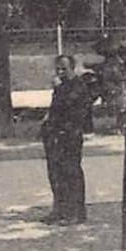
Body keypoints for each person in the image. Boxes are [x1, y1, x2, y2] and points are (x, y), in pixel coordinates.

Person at [41, 55, 96, 225]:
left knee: (71, 173)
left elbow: (71, 107)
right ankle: (60, 210)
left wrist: (59, 90)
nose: (60, 72)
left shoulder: (78, 86)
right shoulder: (63, 87)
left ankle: (76, 213)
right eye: (58, 69)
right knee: (56, 175)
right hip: (55, 135)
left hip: (70, 135)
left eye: (64, 69)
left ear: (73, 68)